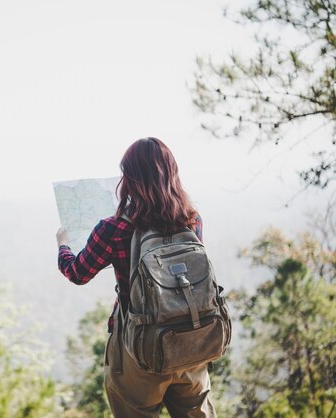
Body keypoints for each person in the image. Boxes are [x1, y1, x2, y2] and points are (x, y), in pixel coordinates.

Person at [56, 137, 216, 418]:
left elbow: (78, 273)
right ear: (172, 174)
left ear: (129, 180)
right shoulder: (192, 220)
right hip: (192, 344)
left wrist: (63, 246)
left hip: (139, 350)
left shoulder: (113, 228)